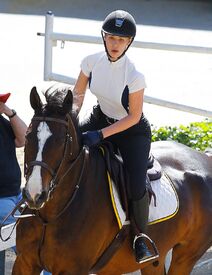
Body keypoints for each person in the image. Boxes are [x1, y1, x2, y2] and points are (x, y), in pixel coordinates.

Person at [73, 10, 158, 264]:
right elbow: (78, 96)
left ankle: (141, 237)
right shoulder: (90, 61)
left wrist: (99, 135)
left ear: (129, 42)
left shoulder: (135, 75)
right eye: (111, 38)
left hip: (132, 132)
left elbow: (133, 117)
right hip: (101, 117)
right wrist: (72, 120)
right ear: (104, 37)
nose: (115, 44)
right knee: (65, 143)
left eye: (121, 40)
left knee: (135, 183)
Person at [0, 93, 51, 275]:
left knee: (44, 231)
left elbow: (23, 139)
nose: (1, 105)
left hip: (17, 194)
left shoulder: (4, 123)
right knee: (29, 241)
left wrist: (10, 113)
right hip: (1, 199)